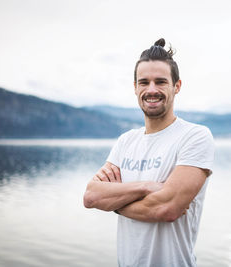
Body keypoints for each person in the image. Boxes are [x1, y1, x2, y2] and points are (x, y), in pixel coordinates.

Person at [83, 38, 215, 267]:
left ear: (177, 86)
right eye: (144, 82)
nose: (151, 90)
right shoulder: (126, 141)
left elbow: (166, 208)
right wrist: (146, 187)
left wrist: (114, 201)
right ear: (135, 87)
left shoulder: (195, 136)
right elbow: (91, 196)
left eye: (160, 82)